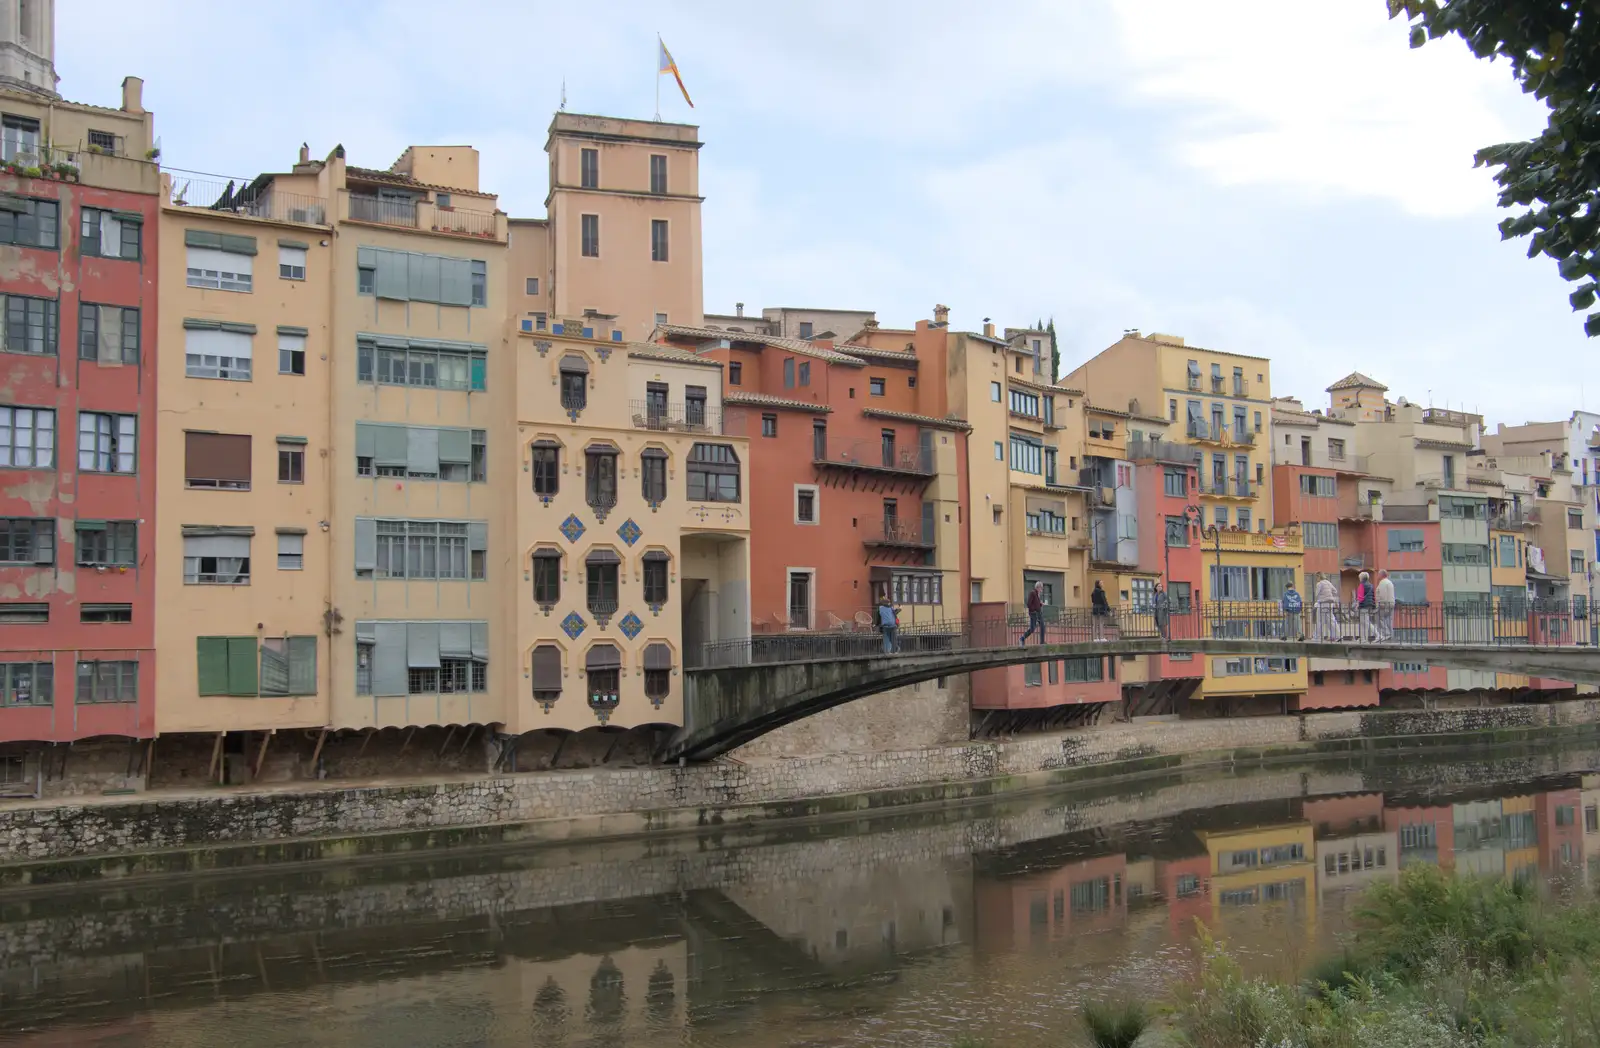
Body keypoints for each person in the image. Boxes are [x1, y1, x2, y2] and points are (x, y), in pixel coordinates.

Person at [1313, 574, 1339, 641]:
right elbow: (1335, 591)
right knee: (1331, 620)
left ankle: (1318, 637)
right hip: (1330, 604)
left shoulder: (1319, 583)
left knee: (1320, 621)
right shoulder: (1328, 582)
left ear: (1319, 577)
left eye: (1316, 577)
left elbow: (1316, 594)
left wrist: (1321, 596)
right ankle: (1337, 636)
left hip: (1322, 603)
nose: (1316, 579)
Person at [1020, 581, 1046, 645]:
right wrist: (1033, 610)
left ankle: (1042, 642)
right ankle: (1022, 638)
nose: (1041, 590)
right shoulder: (1032, 593)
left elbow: (1036, 604)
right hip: (1034, 613)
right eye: (1041, 588)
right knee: (1032, 629)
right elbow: (1029, 604)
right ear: (1038, 587)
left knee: (1042, 626)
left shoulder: (1037, 594)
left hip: (1038, 613)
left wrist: (1040, 604)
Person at [1355, 571, 1376, 642]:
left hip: (1363, 606)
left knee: (1365, 622)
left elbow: (1360, 597)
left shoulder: (1362, 585)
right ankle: (1363, 638)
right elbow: (1373, 596)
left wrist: (1357, 605)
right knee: (1364, 622)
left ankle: (1378, 634)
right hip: (1370, 605)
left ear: (1361, 578)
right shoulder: (1371, 585)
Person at [1376, 569, 1396, 642]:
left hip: (1384, 604)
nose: (1377, 576)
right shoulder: (1389, 582)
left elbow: (1383, 594)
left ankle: (1386, 634)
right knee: (1389, 620)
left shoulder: (1382, 583)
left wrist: (1381, 603)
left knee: (1381, 619)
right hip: (1391, 603)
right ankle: (1390, 635)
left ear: (1381, 575)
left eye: (1378, 574)